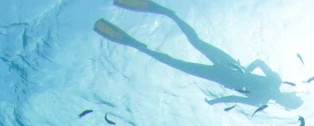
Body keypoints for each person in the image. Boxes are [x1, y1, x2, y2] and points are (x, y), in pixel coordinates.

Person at [94, 0, 303, 110]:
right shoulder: (273, 84)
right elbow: (257, 62)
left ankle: (138, 44)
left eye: (288, 104)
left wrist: (216, 101)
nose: (285, 102)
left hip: (222, 75)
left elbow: (233, 97)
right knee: (195, 42)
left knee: (176, 63)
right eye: (289, 102)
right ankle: (167, 13)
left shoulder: (262, 99)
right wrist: (243, 73)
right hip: (228, 66)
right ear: (289, 98)